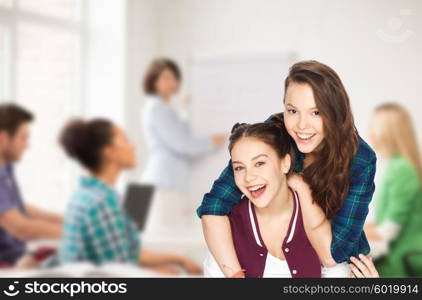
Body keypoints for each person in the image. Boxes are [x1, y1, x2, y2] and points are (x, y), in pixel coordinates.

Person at [197, 60, 377, 277]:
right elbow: (214, 205)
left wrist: (301, 187)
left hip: (332, 260)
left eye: (316, 112)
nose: (301, 125)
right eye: (292, 111)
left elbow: (335, 255)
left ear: (336, 113)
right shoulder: (275, 134)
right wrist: (235, 275)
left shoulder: (361, 160)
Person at [58, 118, 201, 275]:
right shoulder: (103, 202)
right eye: (124, 140)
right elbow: (119, 272)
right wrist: (161, 273)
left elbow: (128, 255)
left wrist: (178, 259)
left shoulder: (87, 194)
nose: (132, 146)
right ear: (109, 152)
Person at [141, 58, 226, 233]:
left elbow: (180, 134)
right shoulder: (156, 108)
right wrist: (211, 142)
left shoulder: (163, 108)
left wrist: (185, 111)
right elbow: (181, 143)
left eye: (174, 77)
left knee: (169, 235)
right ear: (153, 80)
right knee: (166, 238)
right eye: (165, 77)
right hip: (163, 184)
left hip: (167, 183)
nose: (171, 82)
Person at [0, 103, 63, 267]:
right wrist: (78, 234)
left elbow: (19, 208)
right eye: (23, 138)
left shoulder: (6, 169)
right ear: (4, 138)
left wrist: (65, 219)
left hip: (18, 258)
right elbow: (20, 228)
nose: (27, 145)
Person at [365, 103, 422, 277]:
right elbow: (384, 221)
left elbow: (387, 231)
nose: (370, 134)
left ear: (388, 133)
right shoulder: (397, 166)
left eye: (374, 128)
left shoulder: (401, 169)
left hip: (403, 264)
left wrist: (338, 232)